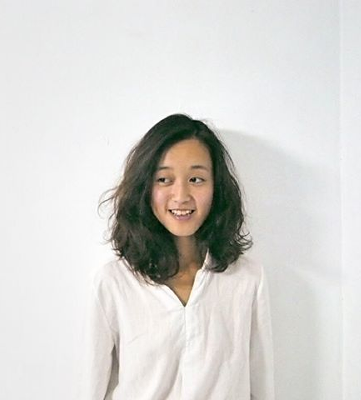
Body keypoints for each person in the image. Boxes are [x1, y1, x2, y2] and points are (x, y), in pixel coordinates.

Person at [79, 114, 275, 399]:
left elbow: (262, 387)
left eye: (196, 179)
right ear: (145, 187)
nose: (181, 195)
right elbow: (91, 388)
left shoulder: (247, 279)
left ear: (216, 186)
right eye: (164, 179)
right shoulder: (113, 282)